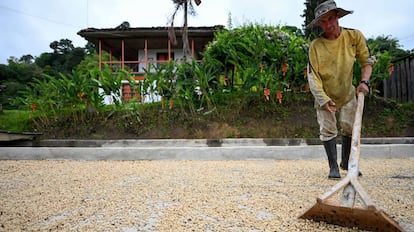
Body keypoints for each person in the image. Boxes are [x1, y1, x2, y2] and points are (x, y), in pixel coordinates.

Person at [306, 0, 375, 179]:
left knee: (349, 127)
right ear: (319, 24)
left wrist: (364, 82)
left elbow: (366, 62)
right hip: (324, 94)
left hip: (347, 93)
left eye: (330, 19)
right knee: (328, 129)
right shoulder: (316, 46)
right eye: (323, 21)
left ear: (337, 16)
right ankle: (333, 167)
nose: (328, 24)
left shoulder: (354, 37)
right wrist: (323, 99)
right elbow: (313, 77)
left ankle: (346, 162)